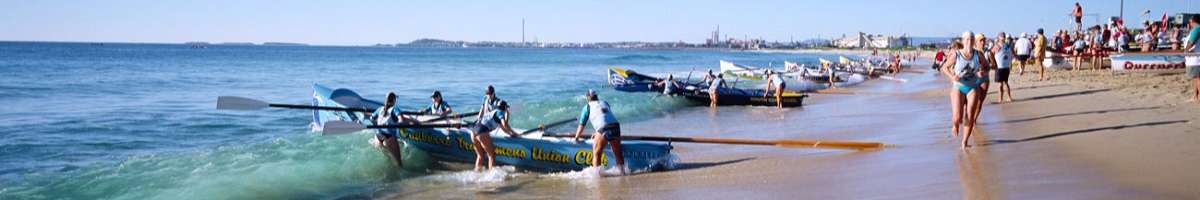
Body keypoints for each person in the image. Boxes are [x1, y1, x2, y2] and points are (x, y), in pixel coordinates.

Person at [940, 32, 983, 148]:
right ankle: (955, 125)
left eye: (972, 39)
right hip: (958, 86)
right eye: (967, 39)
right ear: (963, 41)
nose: (969, 41)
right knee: (957, 118)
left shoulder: (978, 54)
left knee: (970, 116)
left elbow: (987, 67)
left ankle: (964, 142)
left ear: (974, 41)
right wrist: (952, 76)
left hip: (973, 87)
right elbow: (944, 67)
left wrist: (981, 72)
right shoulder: (956, 54)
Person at [572, 90, 625, 175]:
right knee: (617, 152)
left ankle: (597, 177)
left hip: (603, 129)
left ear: (588, 98)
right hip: (616, 126)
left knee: (597, 153)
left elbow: (581, 125)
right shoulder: (605, 103)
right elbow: (604, 116)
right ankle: (623, 173)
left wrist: (576, 138)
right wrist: (597, 133)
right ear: (596, 96)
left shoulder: (587, 107)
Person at [371, 92, 418, 167]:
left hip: (378, 137)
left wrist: (413, 121)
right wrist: (400, 125)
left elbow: (372, 118)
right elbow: (401, 120)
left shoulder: (380, 109)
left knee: (388, 159)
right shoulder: (395, 109)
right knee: (399, 164)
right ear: (394, 100)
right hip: (388, 137)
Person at [468, 100, 517, 171]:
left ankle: (476, 171)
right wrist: (514, 134)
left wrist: (511, 133)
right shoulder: (500, 113)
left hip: (473, 131)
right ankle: (491, 175)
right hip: (481, 132)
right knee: (491, 155)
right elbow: (504, 125)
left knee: (480, 155)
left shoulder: (493, 112)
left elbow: (503, 128)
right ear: (505, 108)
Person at [993, 33, 1016, 103]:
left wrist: (993, 62)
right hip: (1006, 66)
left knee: (1001, 84)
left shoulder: (997, 46)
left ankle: (1000, 99)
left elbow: (990, 53)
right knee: (1005, 82)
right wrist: (1009, 61)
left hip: (1000, 66)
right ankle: (1009, 97)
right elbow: (1013, 54)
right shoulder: (1008, 46)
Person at [1184, 16, 1200, 103]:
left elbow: (1192, 41)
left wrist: (1186, 51)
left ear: (1193, 21)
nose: (1189, 24)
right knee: (1195, 78)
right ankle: (1195, 96)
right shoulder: (1196, 29)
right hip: (1195, 58)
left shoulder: (1197, 29)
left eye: (1190, 22)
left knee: (1197, 78)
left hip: (1196, 59)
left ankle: (1198, 97)